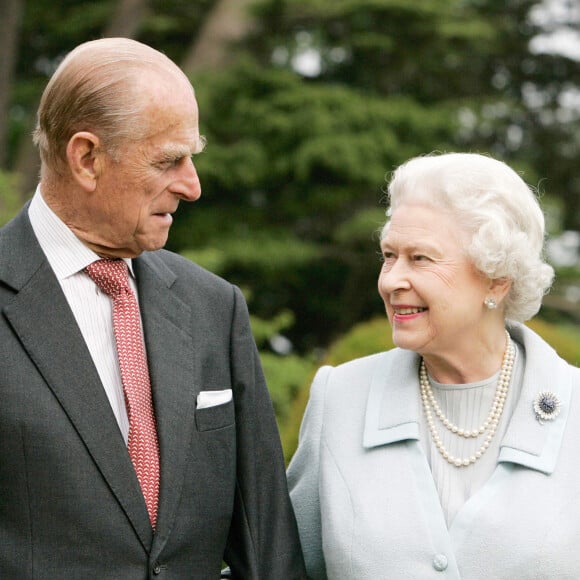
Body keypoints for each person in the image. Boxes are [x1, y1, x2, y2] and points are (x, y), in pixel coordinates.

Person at [0, 38, 306, 579]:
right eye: (169, 160)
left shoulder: (215, 307)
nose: (193, 186)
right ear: (87, 158)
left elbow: (268, 545)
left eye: (193, 156)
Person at [287, 152, 580, 579]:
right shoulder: (340, 400)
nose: (390, 281)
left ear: (497, 278)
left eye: (420, 258)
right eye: (389, 255)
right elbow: (284, 567)